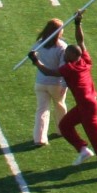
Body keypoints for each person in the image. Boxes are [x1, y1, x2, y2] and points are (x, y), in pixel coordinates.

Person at [27, 11, 97, 180]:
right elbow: (80, 41)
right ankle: (82, 149)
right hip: (86, 104)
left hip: (87, 106)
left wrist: (36, 61)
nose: (63, 55)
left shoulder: (69, 69)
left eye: (66, 55)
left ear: (71, 57)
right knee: (65, 126)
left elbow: (49, 72)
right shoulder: (85, 60)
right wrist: (78, 23)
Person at [31, 18, 70, 146]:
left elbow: (33, 54)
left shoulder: (40, 44)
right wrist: (65, 84)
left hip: (40, 82)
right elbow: (64, 68)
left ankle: (39, 138)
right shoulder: (62, 47)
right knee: (60, 106)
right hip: (56, 83)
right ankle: (62, 129)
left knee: (42, 109)